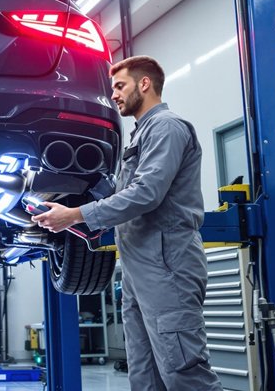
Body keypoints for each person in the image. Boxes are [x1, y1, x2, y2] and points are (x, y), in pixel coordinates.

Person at [32, 55, 222, 390]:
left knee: (183, 371)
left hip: (167, 265)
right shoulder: (140, 136)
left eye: (120, 86)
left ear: (144, 84)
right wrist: (70, 212)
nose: (114, 95)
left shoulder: (167, 127)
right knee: (144, 375)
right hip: (139, 269)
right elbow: (126, 199)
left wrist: (76, 214)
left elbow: (147, 193)